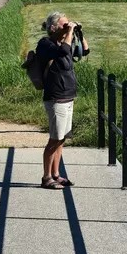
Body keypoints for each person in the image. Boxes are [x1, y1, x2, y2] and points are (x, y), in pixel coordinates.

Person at [36, 11, 89, 189]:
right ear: (53, 28)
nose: (67, 28)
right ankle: (46, 177)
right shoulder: (45, 44)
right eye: (63, 25)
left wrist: (79, 33)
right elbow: (63, 51)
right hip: (56, 98)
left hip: (68, 96)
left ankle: (56, 174)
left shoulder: (62, 42)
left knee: (62, 139)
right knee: (54, 138)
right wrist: (69, 32)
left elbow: (85, 51)